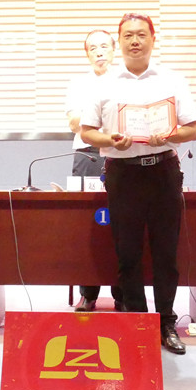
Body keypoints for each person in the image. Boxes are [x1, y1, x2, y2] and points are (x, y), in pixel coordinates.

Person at [80, 13, 196, 354]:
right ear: (119, 41)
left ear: (152, 39)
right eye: (128, 35)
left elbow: (193, 129)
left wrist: (172, 134)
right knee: (128, 253)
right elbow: (86, 132)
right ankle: (137, 324)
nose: (135, 41)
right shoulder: (103, 84)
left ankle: (166, 324)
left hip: (164, 171)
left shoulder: (173, 80)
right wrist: (110, 140)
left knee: (166, 253)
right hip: (123, 173)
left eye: (142, 35)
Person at [66, 29, 122, 312]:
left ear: (114, 49)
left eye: (104, 46)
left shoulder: (125, 80)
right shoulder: (79, 84)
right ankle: (88, 293)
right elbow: (74, 123)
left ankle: (123, 293)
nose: (99, 52)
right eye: (93, 48)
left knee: (121, 223)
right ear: (87, 54)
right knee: (86, 224)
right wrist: (105, 118)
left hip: (119, 155)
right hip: (86, 155)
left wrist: (93, 118)